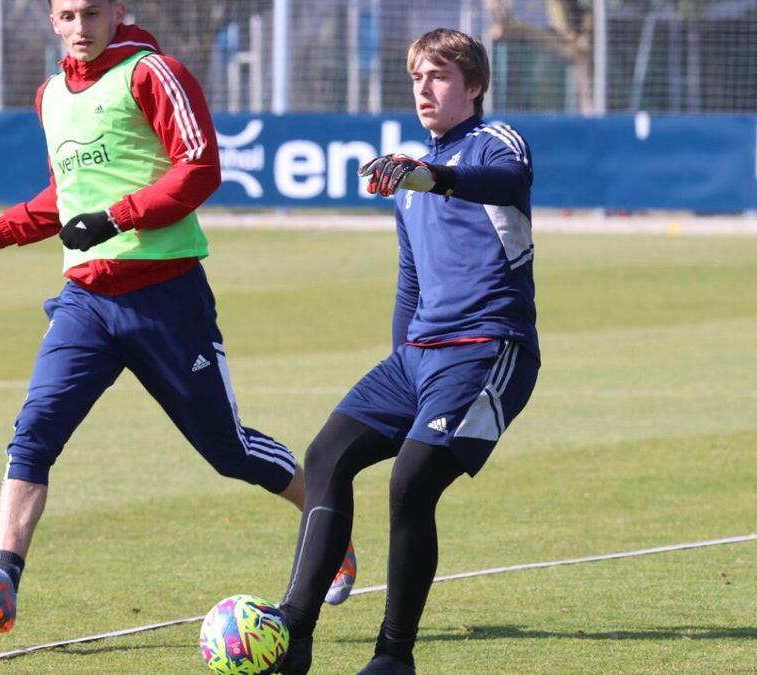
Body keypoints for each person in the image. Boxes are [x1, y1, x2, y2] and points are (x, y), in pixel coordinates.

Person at [0, 0, 354, 635]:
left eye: (93, 13)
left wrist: (117, 217)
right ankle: (3, 582)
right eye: (68, 15)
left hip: (167, 298)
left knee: (228, 450)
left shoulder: (152, 73)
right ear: (53, 19)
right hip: (85, 302)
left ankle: (328, 527)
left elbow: (200, 168)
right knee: (34, 434)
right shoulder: (50, 94)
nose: (81, 28)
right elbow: (65, 198)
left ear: (117, 12)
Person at [273, 28, 539, 675]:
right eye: (418, 76)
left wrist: (432, 176)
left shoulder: (493, 145)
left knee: (411, 482)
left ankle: (394, 655)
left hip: (489, 352)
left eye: (440, 75)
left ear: (473, 86)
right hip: (418, 358)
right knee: (325, 455)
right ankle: (293, 632)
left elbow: (506, 178)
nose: (425, 87)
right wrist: (402, 366)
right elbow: (409, 279)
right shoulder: (410, 179)